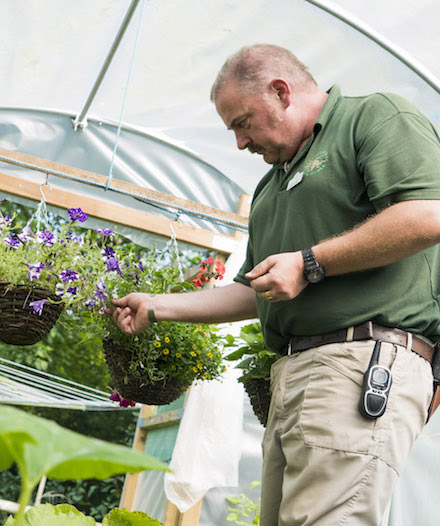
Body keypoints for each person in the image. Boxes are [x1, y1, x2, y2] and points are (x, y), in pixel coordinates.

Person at [110, 44, 440, 526]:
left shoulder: (374, 118)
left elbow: (427, 215)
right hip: (295, 371)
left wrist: (309, 263)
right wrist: (158, 306)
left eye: (243, 122)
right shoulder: (271, 187)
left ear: (281, 92)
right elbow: (256, 288)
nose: (241, 143)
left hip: (363, 361)